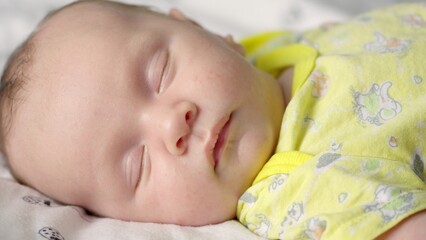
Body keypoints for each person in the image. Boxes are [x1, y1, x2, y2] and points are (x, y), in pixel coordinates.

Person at [0, 0, 425, 239]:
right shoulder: (302, 195)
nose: (173, 126)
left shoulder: (276, 51)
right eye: (138, 165)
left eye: (160, 72)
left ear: (202, 29)